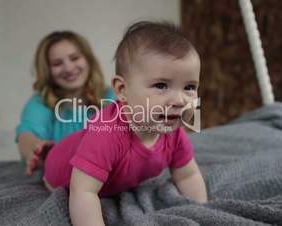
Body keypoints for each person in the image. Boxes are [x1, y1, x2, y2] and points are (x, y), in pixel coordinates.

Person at [43, 21, 207, 226]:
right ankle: (44, 155)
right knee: (74, 167)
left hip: (104, 171)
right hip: (60, 170)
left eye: (189, 87)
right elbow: (83, 191)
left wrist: (203, 211)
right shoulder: (107, 133)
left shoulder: (172, 130)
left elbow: (187, 175)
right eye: (162, 85)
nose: (180, 100)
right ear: (122, 90)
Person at [16, 31, 116, 176]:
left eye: (75, 58)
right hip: (61, 177)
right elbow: (26, 133)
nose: (69, 68)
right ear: (47, 71)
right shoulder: (40, 103)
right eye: (57, 63)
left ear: (88, 60)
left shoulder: (112, 97)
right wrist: (35, 151)